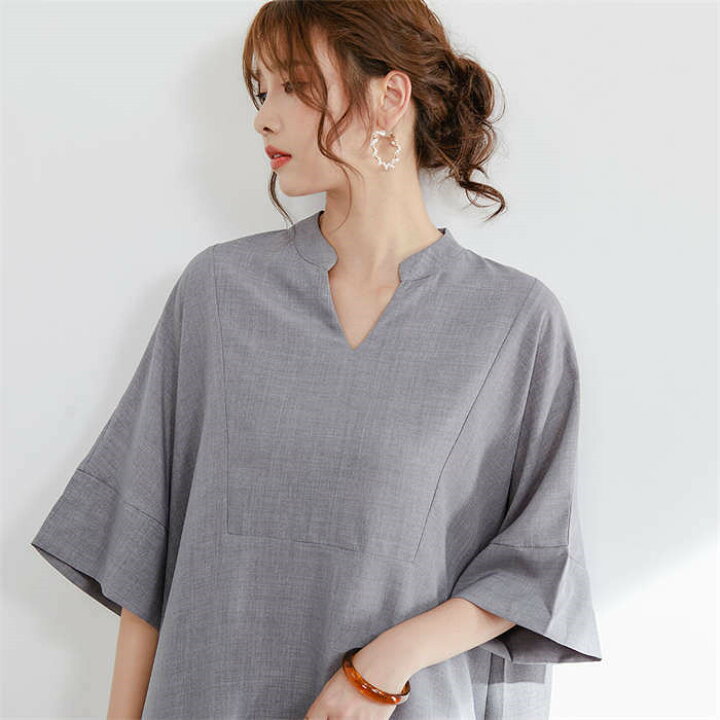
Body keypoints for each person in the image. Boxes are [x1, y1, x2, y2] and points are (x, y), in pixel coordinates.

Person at [30, 1, 603, 718]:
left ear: (390, 96)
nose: (264, 118)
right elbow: (145, 549)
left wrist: (383, 666)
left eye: (295, 86)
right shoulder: (219, 293)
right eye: (260, 90)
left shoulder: (512, 321)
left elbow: (536, 566)